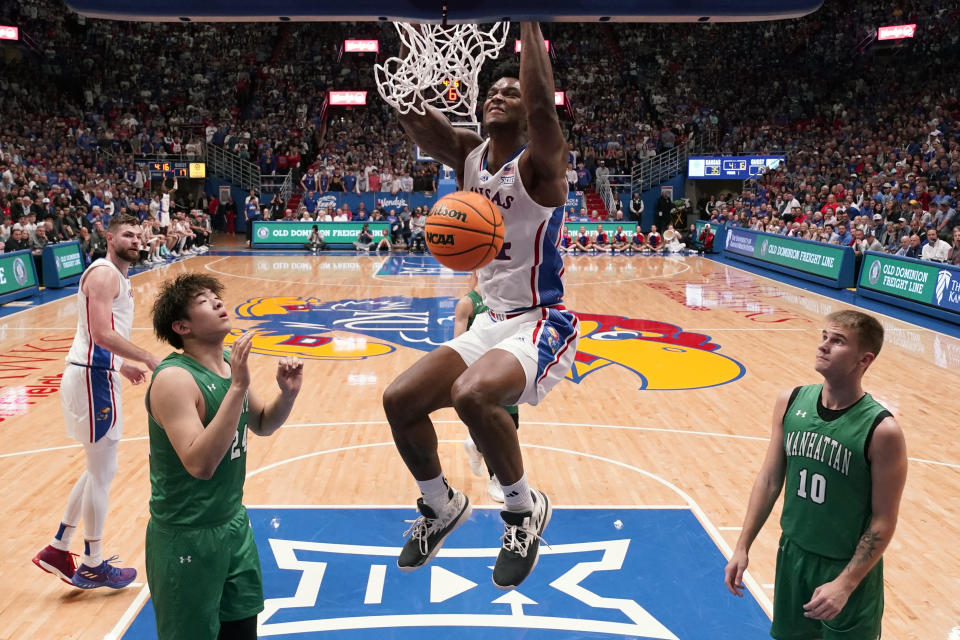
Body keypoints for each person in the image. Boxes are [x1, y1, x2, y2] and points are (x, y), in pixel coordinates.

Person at [381, 22, 577, 590]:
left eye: (511, 91)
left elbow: (543, 114)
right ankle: (440, 504)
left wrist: (528, 19)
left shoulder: (542, 167)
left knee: (472, 395)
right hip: (492, 320)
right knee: (401, 400)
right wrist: (403, 65)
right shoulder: (469, 156)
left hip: (542, 320)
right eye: (492, 89)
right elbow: (415, 115)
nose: (498, 93)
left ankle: (521, 511)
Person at [724, 310, 907, 640]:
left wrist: (845, 584)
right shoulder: (790, 401)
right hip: (793, 555)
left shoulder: (882, 430)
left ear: (864, 359)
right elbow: (768, 480)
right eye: (824, 337)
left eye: (837, 341)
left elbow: (884, 519)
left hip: (845, 567)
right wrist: (742, 546)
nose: (823, 346)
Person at [145, 273, 303, 639]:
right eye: (203, 301)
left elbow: (262, 422)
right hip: (186, 536)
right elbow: (200, 464)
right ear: (182, 326)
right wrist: (238, 388)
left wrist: (288, 394)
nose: (217, 302)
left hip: (232, 525)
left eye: (214, 296)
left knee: (242, 632)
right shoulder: (175, 380)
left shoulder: (229, 367)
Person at [32, 214, 161, 589]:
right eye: (127, 234)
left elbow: (97, 335)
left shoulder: (117, 276)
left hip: (96, 375)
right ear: (109, 237)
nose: (135, 240)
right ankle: (92, 561)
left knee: (96, 468)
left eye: (138, 235)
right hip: (91, 380)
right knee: (103, 471)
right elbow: (102, 334)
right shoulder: (104, 274)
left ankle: (58, 547)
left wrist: (121, 368)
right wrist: (145, 358)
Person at [454, 273, 520, 503]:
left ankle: (475, 444)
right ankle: (497, 479)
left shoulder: (510, 302)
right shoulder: (467, 303)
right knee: (495, 430)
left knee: (512, 426)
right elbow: (458, 346)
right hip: (480, 373)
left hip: (505, 367)